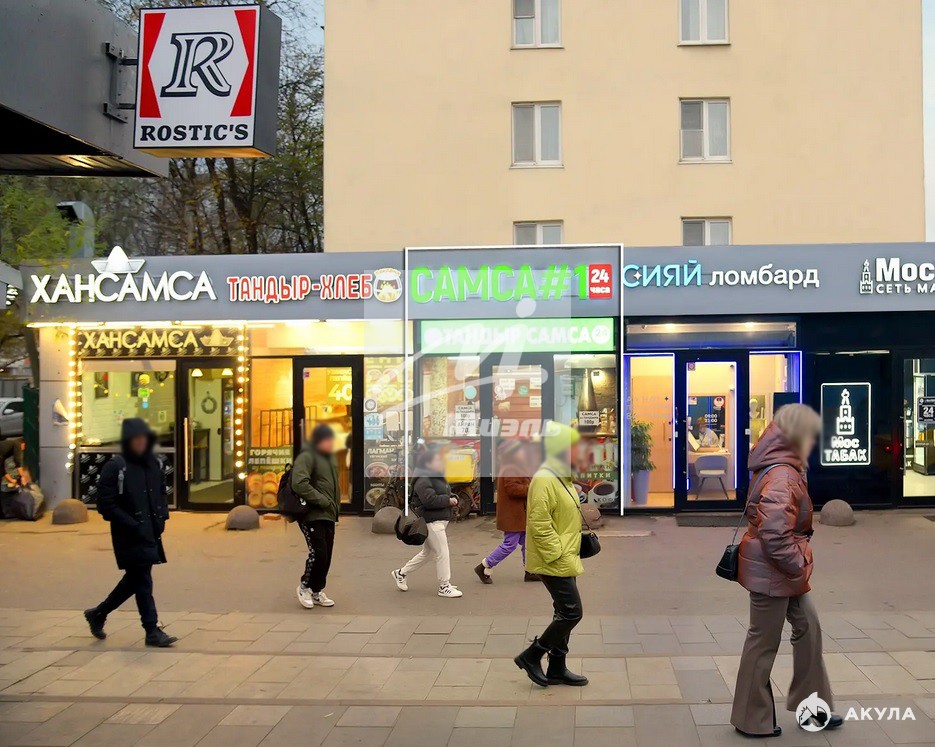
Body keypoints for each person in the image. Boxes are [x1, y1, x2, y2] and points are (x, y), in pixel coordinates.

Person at [731, 404, 842, 738]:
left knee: (809, 627)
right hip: (774, 571)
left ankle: (813, 707)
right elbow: (775, 534)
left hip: (781, 571)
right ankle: (751, 719)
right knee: (762, 642)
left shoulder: (784, 466)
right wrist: (798, 564)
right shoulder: (782, 475)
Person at [84, 418, 175, 647]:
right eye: (136, 438)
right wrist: (131, 524)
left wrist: (162, 517)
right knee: (142, 579)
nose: (141, 442)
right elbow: (105, 504)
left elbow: (161, 493)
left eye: (144, 438)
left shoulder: (154, 464)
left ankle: (98, 613)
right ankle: (152, 630)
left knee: (136, 579)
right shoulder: (116, 466)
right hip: (128, 533)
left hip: (151, 531)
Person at [514, 422, 589, 688]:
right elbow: (539, 523)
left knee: (563, 611)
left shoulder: (562, 477)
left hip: (567, 555)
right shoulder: (545, 479)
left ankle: (557, 668)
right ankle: (532, 655)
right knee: (572, 612)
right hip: (554, 558)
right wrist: (556, 553)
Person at [392, 445, 462, 598]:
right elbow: (429, 500)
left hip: (439, 520)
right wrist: (448, 501)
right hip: (431, 521)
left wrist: (453, 497)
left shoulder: (436, 476)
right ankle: (444, 586)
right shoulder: (423, 479)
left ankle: (401, 573)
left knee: (428, 553)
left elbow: (445, 492)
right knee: (442, 552)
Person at [475, 439, 539, 584]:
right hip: (513, 515)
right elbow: (513, 489)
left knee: (528, 543)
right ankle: (484, 565)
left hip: (519, 514)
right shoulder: (511, 467)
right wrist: (532, 487)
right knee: (510, 544)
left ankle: (530, 571)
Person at [293, 423, 341, 609]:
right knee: (318, 553)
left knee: (327, 555)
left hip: (328, 514)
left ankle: (317, 591)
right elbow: (299, 483)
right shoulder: (307, 456)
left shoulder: (330, 459)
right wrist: (322, 501)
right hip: (312, 513)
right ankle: (304, 586)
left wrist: (334, 507)